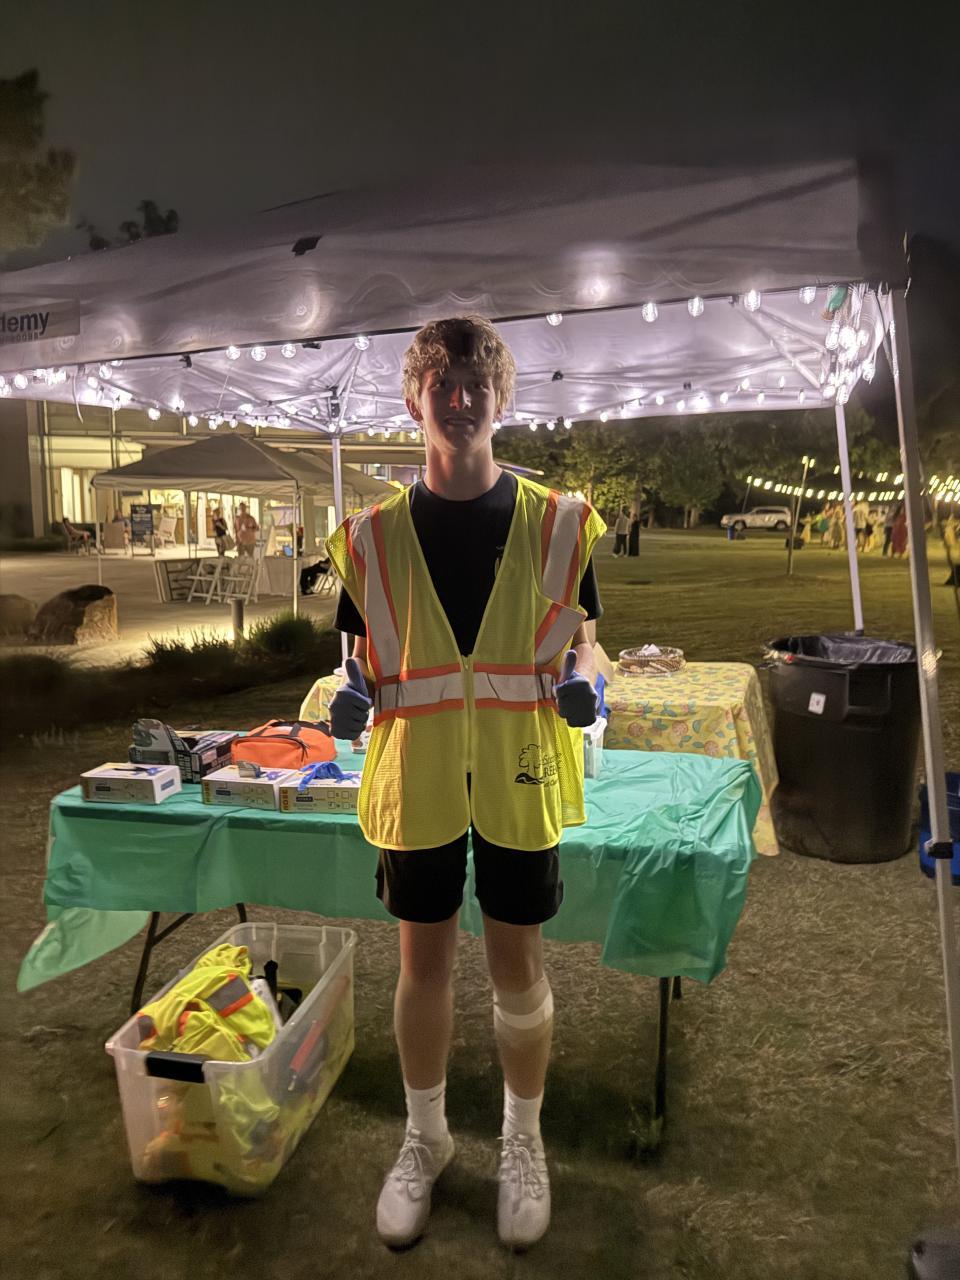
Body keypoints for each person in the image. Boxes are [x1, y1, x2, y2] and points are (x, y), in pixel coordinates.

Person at [325, 315, 604, 1251]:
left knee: (519, 965)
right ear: (414, 400)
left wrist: (588, 679)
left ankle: (523, 1142)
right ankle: (427, 1138)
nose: (458, 397)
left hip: (520, 773)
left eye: (475, 383)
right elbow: (357, 655)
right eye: (440, 382)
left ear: (501, 399)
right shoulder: (370, 537)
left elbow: (588, 643)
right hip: (420, 775)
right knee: (423, 965)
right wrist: (350, 689)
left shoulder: (560, 524)